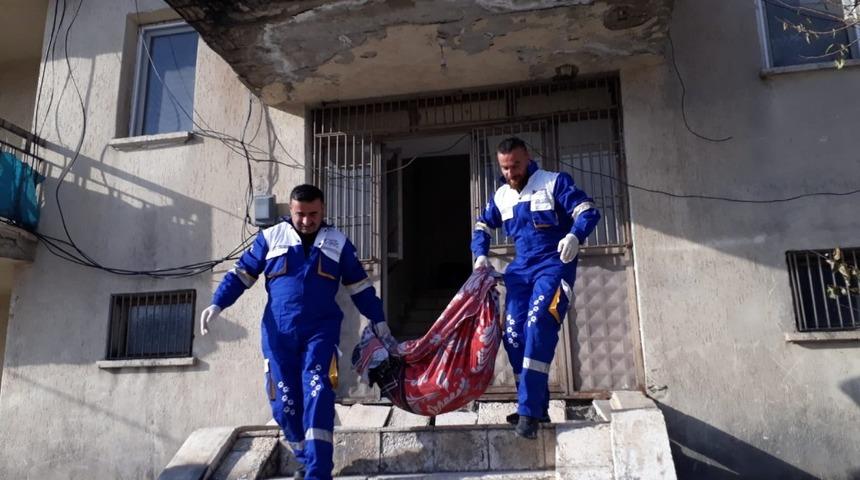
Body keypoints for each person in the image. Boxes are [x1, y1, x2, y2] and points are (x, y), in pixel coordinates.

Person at [199, 184, 396, 480]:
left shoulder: (337, 243)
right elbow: (241, 275)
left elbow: (360, 287)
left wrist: (378, 319)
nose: (306, 220)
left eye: (313, 214)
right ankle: (305, 457)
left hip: (320, 333)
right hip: (278, 336)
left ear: (323, 210)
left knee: (318, 391)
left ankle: (318, 472)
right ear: (290, 210)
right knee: (284, 401)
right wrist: (217, 303)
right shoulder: (270, 238)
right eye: (300, 214)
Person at [471, 137, 600, 439]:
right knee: (514, 335)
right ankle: (534, 407)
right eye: (504, 167)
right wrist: (480, 255)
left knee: (538, 325)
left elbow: (587, 211)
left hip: (553, 267)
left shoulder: (554, 182)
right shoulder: (501, 196)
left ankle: (528, 412)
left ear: (527, 158)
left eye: (515, 165)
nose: (510, 172)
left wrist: (575, 236)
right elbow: (482, 226)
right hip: (520, 272)